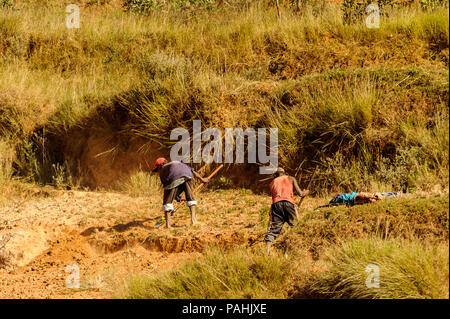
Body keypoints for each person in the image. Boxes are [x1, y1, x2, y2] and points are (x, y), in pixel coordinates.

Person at [152, 158, 209, 228]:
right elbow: (192, 171)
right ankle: (193, 220)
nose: (158, 172)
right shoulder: (176, 163)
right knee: (190, 197)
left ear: (159, 166)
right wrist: (202, 179)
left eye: (157, 170)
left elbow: (168, 188)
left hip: (174, 177)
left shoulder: (163, 170)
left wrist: (171, 198)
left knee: (167, 202)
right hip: (188, 175)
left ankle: (168, 225)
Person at [264, 167, 310, 254]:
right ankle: (292, 249)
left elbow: (276, 195)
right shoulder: (291, 178)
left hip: (276, 206)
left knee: (273, 230)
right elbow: (301, 194)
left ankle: (267, 252)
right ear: (283, 173)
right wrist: (306, 192)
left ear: (275, 175)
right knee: (295, 225)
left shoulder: (272, 183)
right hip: (288, 204)